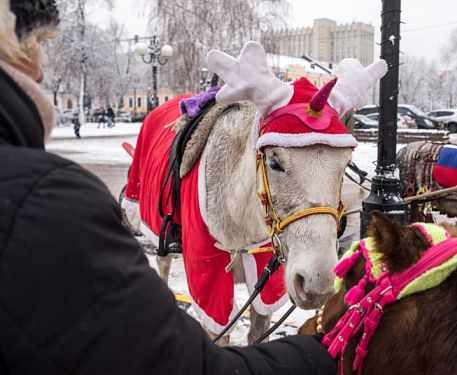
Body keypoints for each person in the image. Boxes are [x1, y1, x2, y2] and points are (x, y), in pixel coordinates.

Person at [0, 1, 336, 374]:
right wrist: (319, 355)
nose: (43, 71)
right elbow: (183, 364)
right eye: (34, 49)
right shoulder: (49, 197)